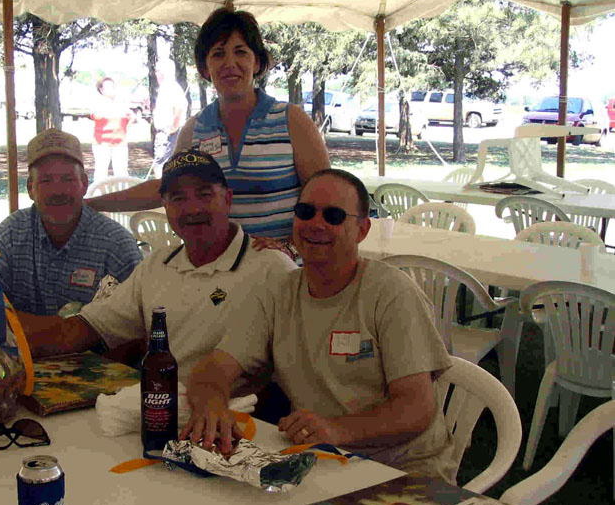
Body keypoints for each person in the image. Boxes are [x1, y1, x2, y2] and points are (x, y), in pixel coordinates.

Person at [181, 169, 457, 483]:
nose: (316, 224)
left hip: (404, 471)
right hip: (323, 462)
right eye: (306, 211)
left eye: (334, 216)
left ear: (362, 230)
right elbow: (215, 367)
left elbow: (416, 408)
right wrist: (212, 407)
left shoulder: (391, 292)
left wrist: (337, 429)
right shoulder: (277, 291)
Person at [18, 149, 297, 389]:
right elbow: (86, 327)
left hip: (238, 424)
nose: (192, 209)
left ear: (227, 198)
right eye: (177, 198)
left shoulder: (270, 267)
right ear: (164, 205)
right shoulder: (156, 265)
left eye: (204, 194)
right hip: (157, 410)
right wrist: (12, 355)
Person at [86, 6, 329, 248]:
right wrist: (90, 204)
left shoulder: (291, 120)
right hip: (219, 270)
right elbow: (164, 188)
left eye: (241, 52)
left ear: (256, 62)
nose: (230, 63)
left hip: (283, 270)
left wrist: (288, 246)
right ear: (205, 68)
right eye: (218, 54)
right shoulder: (194, 129)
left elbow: (324, 196)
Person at [0, 128, 142, 316]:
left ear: (84, 184)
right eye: (46, 181)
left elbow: (138, 320)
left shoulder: (116, 245)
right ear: (30, 188)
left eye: (67, 179)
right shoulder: (9, 235)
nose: (57, 191)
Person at [90, 76, 133, 182]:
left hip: (120, 143)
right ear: (101, 90)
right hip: (101, 144)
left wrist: (130, 116)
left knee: (122, 173)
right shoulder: (98, 102)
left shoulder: (121, 102)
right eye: (107, 87)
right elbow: (96, 115)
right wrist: (112, 108)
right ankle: (98, 197)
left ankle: (123, 196)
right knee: (101, 173)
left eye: (112, 86)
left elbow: (130, 118)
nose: (111, 89)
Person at [152, 62, 188, 178]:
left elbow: (180, 108)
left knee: (161, 165)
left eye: (158, 71)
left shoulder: (169, 87)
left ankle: (161, 193)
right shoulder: (171, 87)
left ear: (163, 72)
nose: (156, 74)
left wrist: (173, 127)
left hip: (168, 134)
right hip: (169, 133)